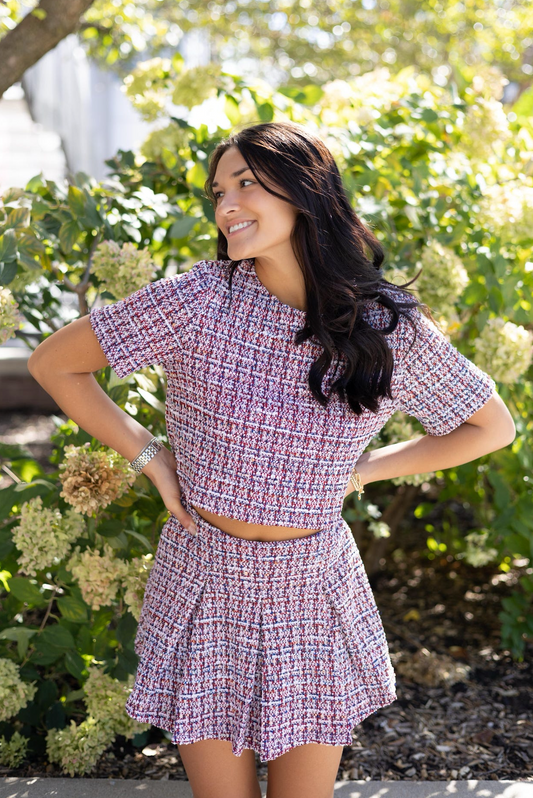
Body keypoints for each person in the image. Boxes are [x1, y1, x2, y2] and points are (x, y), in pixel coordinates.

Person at [28, 121, 515, 798]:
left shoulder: (381, 326)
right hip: (205, 579)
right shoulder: (200, 298)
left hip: (310, 592)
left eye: (247, 183)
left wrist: (364, 470)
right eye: (218, 190)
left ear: (305, 193)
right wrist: (153, 459)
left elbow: (489, 426)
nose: (226, 203)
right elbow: (55, 365)